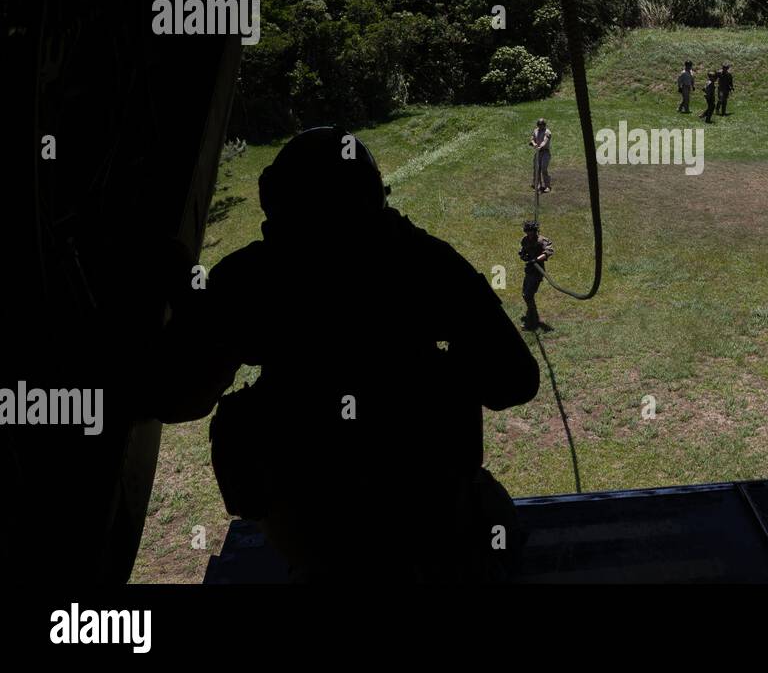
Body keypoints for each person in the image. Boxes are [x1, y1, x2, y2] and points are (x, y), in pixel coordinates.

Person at [161, 126, 539, 583]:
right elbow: (515, 380)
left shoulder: (254, 276)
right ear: (373, 196)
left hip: (321, 546)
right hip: (437, 538)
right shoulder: (420, 260)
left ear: (276, 204)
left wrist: (191, 303)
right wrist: (442, 370)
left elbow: (179, 397)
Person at [519, 220, 555, 331]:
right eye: (527, 231)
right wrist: (523, 256)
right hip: (529, 271)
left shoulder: (541, 240)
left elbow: (549, 251)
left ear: (535, 231)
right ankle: (533, 316)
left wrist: (536, 259)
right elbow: (523, 250)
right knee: (525, 295)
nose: (529, 233)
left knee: (528, 295)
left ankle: (531, 322)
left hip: (537, 272)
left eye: (531, 231)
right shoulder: (525, 240)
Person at [529, 118, 552, 193]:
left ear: (544, 125)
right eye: (539, 125)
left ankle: (547, 186)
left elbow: (545, 141)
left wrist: (540, 146)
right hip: (538, 152)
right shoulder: (535, 130)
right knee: (536, 168)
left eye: (541, 125)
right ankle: (538, 185)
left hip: (545, 152)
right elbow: (532, 139)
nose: (540, 126)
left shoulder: (547, 132)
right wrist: (534, 144)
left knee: (543, 168)